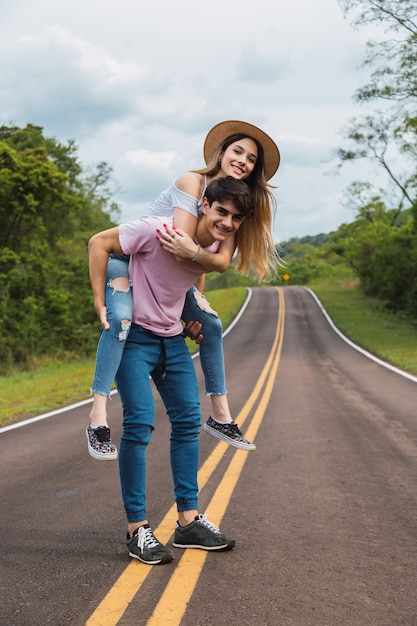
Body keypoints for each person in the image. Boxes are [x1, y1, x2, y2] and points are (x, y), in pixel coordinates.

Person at [86, 120, 280, 460]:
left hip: (171, 272)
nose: (243, 161)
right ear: (221, 153)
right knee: (119, 321)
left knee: (212, 324)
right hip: (128, 258)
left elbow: (210, 262)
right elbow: (187, 246)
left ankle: (221, 415)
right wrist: (98, 300)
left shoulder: (233, 206)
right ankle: (97, 418)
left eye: (251, 159)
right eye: (238, 151)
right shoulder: (194, 183)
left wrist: (192, 305)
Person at [88, 176, 253, 564]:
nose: (227, 222)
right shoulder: (157, 230)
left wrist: (189, 319)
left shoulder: (207, 249)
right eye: (221, 211)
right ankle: (137, 529)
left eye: (235, 218)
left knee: (188, 421)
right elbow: (98, 242)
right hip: (136, 341)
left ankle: (188, 522)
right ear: (204, 204)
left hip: (173, 340)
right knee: (141, 422)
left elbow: (186, 284)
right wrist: (101, 302)